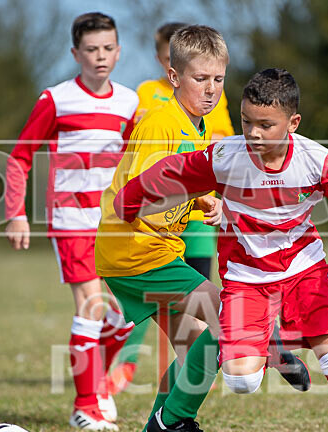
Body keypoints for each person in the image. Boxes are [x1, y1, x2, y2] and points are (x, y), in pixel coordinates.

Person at [115, 68, 328, 432]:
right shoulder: (225, 157)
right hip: (247, 279)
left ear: (293, 123)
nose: (254, 133)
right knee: (242, 381)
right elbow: (170, 173)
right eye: (247, 121)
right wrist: (130, 201)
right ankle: (263, 344)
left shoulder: (316, 160)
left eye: (266, 125)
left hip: (305, 273)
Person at [4, 12, 138, 432]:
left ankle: (97, 384)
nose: (101, 56)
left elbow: (137, 165)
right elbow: (19, 157)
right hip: (71, 219)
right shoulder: (56, 99)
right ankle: (85, 406)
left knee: (127, 315)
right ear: (75, 53)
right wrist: (16, 214)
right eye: (91, 49)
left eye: (108, 48)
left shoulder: (130, 103)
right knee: (91, 307)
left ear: (119, 51)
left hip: (114, 224)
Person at [108, 22, 235, 393]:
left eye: (218, 79)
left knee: (195, 350)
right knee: (228, 315)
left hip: (162, 245)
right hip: (140, 251)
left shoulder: (197, 123)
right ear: (172, 73)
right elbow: (142, 192)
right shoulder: (158, 115)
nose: (210, 89)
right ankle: (276, 350)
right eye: (201, 78)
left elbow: (212, 148)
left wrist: (199, 201)